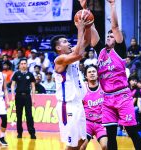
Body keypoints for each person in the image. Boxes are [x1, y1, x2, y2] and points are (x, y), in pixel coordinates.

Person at [87, 0, 141, 149]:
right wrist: (84, 8)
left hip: (122, 95)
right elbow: (91, 26)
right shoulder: (100, 52)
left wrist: (112, 5)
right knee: (111, 134)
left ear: (118, 39)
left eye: (112, 36)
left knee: (132, 131)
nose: (109, 37)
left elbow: (115, 26)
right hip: (106, 98)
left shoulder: (119, 50)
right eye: (108, 36)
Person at [51, 12, 91, 149]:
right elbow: (79, 53)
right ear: (58, 48)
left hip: (78, 104)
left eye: (68, 41)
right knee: (72, 144)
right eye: (64, 42)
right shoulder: (60, 60)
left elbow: (86, 41)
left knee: (82, 141)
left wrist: (88, 24)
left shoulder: (70, 54)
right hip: (67, 106)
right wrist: (80, 28)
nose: (68, 43)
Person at [80, 64, 107, 150]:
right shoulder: (83, 89)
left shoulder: (104, 87)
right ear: (86, 76)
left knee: (105, 146)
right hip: (87, 123)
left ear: (97, 74)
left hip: (102, 124)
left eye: (94, 71)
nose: (92, 73)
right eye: (89, 72)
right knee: (81, 147)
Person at [11, 58, 36, 139]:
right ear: (19, 65)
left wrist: (33, 98)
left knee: (29, 115)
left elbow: (33, 86)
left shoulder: (30, 74)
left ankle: (32, 133)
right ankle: (19, 133)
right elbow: (12, 85)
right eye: (21, 63)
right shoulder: (16, 74)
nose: (23, 65)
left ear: (27, 65)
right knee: (19, 115)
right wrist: (12, 95)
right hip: (18, 96)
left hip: (27, 96)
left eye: (24, 63)